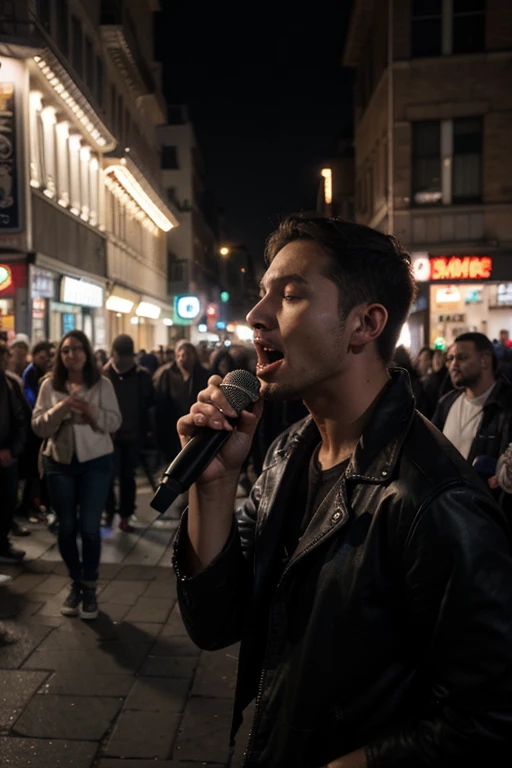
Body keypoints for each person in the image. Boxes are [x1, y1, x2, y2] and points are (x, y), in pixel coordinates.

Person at [172, 216, 512, 767]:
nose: (256, 316)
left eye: (289, 295)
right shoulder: (288, 452)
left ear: (364, 325)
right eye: (263, 295)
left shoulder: (436, 502)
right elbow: (215, 624)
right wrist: (213, 487)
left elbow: (487, 720)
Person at [32, 331, 122, 620]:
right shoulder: (49, 385)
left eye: (78, 349)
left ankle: (90, 585)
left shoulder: (102, 384)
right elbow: (39, 426)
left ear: (87, 353)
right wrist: (61, 408)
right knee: (67, 526)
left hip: (95, 462)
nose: (72, 354)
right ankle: (76, 581)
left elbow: (114, 422)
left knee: (89, 527)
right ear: (60, 355)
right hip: (59, 462)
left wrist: (88, 409)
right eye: (66, 350)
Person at [432, 332, 512, 472]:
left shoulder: (506, 407)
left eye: (461, 358)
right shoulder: (446, 403)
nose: (453, 365)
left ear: (485, 360)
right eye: (450, 358)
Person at [103, 334, 154, 532]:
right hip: (109, 435)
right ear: (113, 354)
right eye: (120, 355)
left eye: (126, 355)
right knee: (108, 476)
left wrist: (148, 431)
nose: (123, 360)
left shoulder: (143, 375)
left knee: (127, 476)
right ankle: (108, 512)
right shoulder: (104, 375)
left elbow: (149, 405)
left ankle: (125, 514)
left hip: (134, 435)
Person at [153, 340, 209, 462]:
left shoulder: (203, 374)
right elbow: (161, 402)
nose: (183, 359)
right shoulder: (167, 374)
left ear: (195, 356)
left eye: (187, 355)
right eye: (180, 355)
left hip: (197, 425)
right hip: (171, 425)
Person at [0, 343, 27, 562]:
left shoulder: (10, 385)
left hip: (9, 456)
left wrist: (13, 450)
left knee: (8, 501)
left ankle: (3, 542)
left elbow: (21, 419)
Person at [22, 341, 52, 409]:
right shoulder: (30, 373)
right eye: (41, 358)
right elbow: (30, 397)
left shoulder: (48, 369)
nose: (44, 361)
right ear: (34, 356)